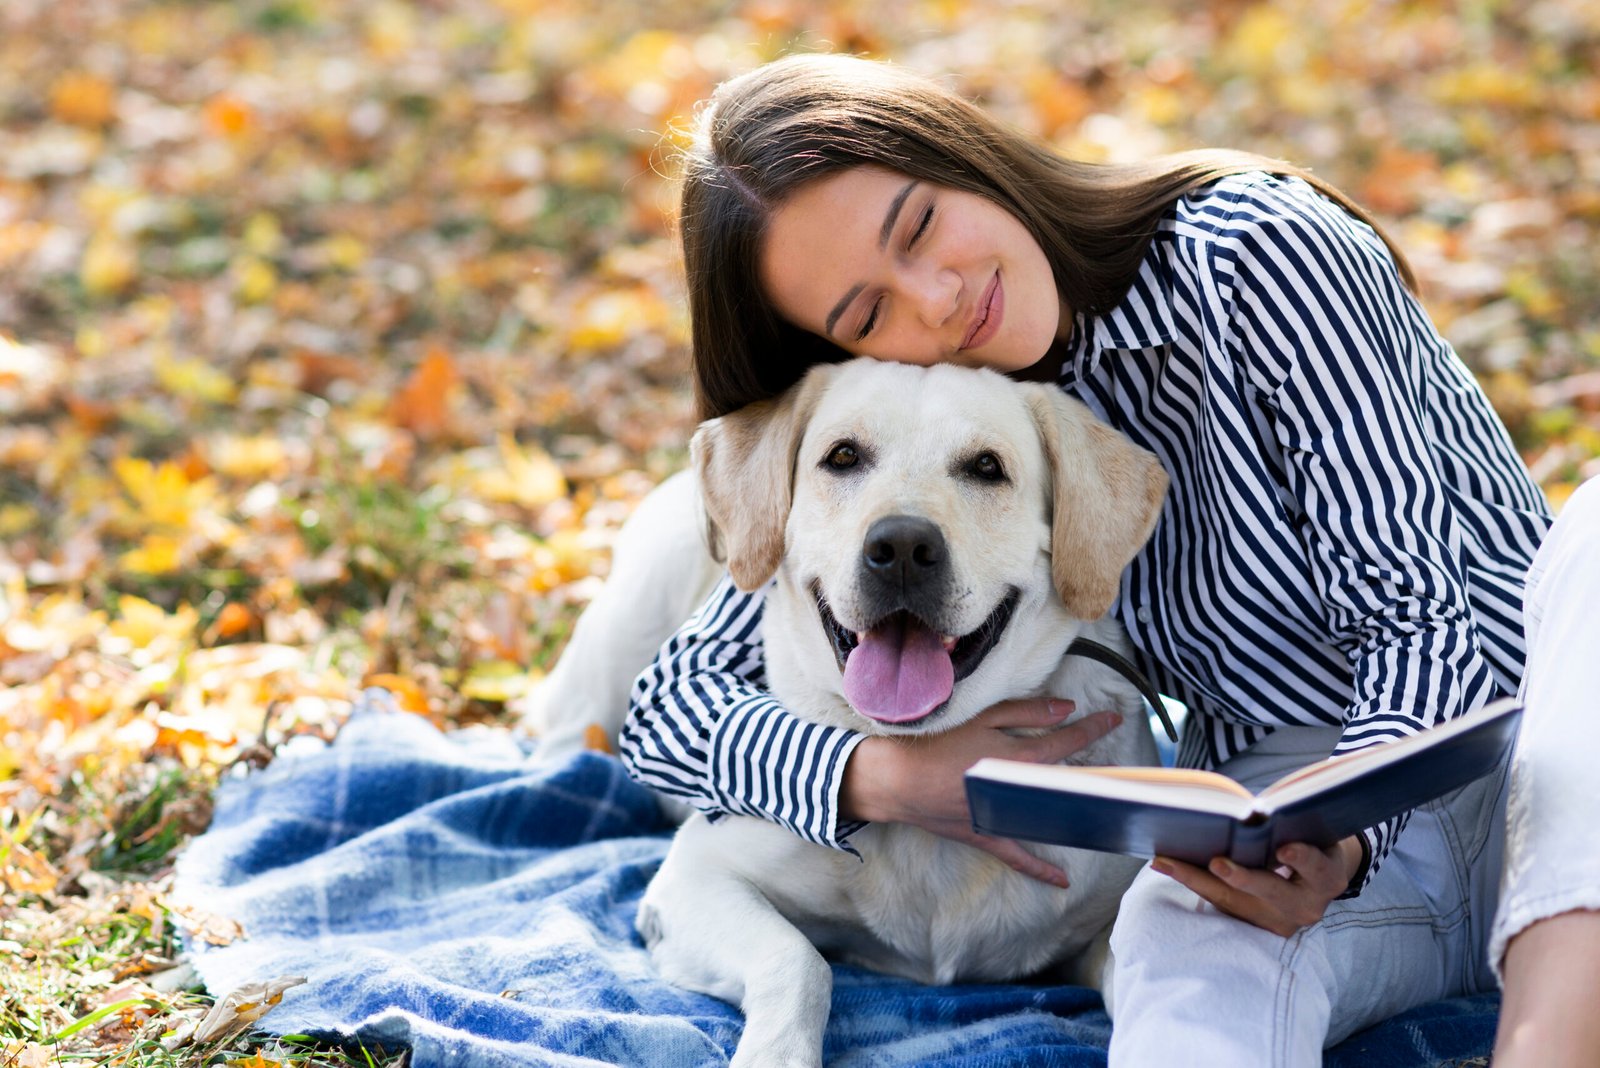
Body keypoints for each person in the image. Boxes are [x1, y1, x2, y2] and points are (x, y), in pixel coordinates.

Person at [617, 53, 1600, 1065]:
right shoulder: (962, 432)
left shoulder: (1255, 254)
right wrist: (887, 777)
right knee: (1172, 951)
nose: (939, 297)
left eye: (917, 226)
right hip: (1296, 834)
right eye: (869, 316)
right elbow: (672, 703)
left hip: (1546, 750)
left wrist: (1352, 836)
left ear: (964, 154)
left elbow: (1421, 617)